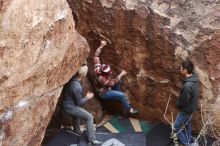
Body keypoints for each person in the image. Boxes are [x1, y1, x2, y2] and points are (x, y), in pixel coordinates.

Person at [93, 40, 138, 114]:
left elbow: (96, 56)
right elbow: (113, 82)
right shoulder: (102, 79)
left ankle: (115, 95)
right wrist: (122, 74)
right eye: (108, 73)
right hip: (103, 93)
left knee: (119, 82)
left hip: (104, 87)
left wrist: (102, 45)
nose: (110, 73)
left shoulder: (98, 68)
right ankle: (130, 109)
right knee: (122, 95)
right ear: (104, 73)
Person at [62, 64, 102, 145]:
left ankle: (76, 131)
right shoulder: (77, 87)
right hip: (70, 107)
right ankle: (92, 140)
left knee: (77, 115)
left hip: (67, 104)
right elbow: (79, 102)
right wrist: (87, 97)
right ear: (84, 75)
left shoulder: (72, 78)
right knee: (89, 117)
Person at [174, 59, 199, 146]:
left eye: (181, 68)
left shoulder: (188, 85)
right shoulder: (194, 78)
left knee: (176, 127)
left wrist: (178, 106)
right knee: (188, 126)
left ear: (185, 70)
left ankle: (186, 144)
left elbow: (183, 102)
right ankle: (188, 141)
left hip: (186, 111)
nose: (180, 69)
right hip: (191, 109)